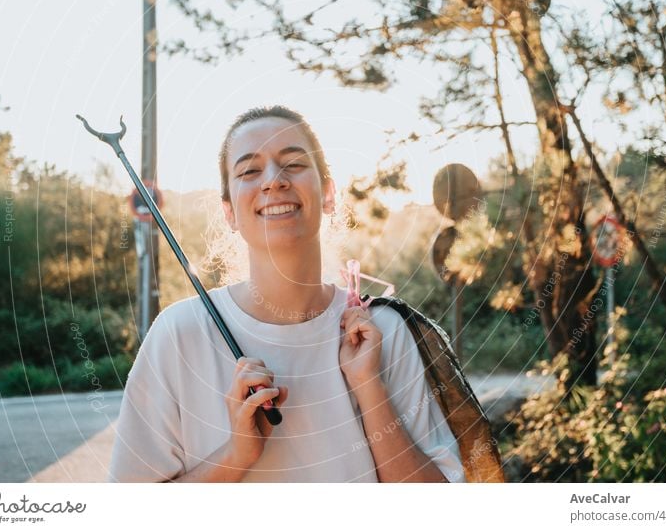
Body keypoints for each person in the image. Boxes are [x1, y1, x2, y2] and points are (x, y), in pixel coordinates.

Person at [108, 105, 464, 483]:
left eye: (293, 164)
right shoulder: (178, 335)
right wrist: (236, 453)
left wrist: (369, 387)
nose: (273, 180)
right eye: (248, 170)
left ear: (328, 194)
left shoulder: (385, 332)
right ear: (228, 212)